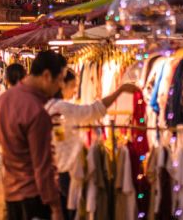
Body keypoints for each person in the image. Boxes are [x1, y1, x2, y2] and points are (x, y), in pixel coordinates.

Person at [45, 68, 137, 220]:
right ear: (61, 84)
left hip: (56, 169)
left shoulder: (50, 106)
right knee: (70, 210)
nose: (75, 91)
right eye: (73, 86)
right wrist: (119, 91)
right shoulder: (62, 108)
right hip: (65, 170)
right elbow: (93, 110)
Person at [0, 50, 68, 220]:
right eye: (60, 80)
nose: (61, 86)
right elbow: (42, 166)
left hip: (11, 191)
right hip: (34, 197)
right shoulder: (36, 110)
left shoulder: (4, 100)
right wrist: (55, 206)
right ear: (47, 75)